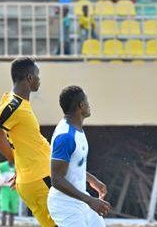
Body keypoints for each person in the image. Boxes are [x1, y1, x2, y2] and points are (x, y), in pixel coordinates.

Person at [0, 57, 57, 227]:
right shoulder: (14, 105)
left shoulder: (11, 101)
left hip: (36, 176)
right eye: (37, 75)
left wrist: (18, 165)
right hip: (41, 178)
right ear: (29, 78)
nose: (39, 79)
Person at [49, 86, 111, 227]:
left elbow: (72, 164)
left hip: (81, 200)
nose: (89, 105)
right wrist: (90, 201)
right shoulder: (66, 136)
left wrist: (92, 180)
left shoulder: (76, 129)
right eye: (87, 101)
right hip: (65, 205)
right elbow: (56, 179)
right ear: (81, 105)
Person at [0, 161, 19, 227]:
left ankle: (11, 225)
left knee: (12, 211)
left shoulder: (18, 166)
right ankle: (3, 225)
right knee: (4, 209)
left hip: (15, 190)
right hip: (5, 189)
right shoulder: (2, 166)